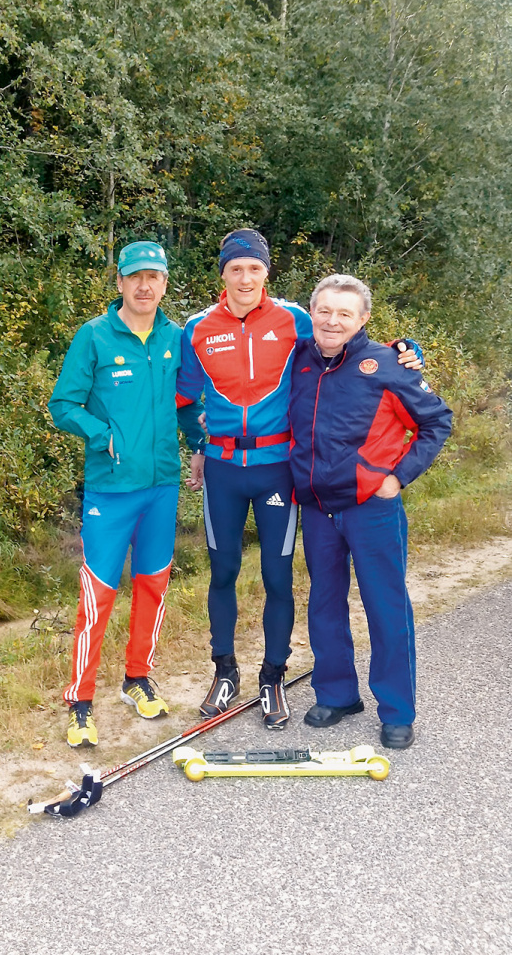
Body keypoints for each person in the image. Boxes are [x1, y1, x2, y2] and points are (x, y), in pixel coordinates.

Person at [175, 229, 422, 729]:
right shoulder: (196, 328)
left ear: (267, 271)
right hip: (224, 469)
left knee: (278, 576)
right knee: (223, 572)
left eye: (254, 268)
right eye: (235, 268)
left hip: (279, 469)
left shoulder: (296, 320)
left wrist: (404, 350)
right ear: (222, 272)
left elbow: (346, 343)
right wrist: (198, 448)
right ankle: (225, 671)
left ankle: (273, 675)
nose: (245, 277)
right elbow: (184, 401)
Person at [48, 241, 204, 748]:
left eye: (154, 277)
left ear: (164, 283)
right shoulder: (94, 336)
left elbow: (186, 404)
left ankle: (137, 679)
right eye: (135, 276)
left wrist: (201, 445)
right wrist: (102, 434)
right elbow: (63, 404)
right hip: (111, 490)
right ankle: (80, 702)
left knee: (154, 585)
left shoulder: (176, 337)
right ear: (119, 283)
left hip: (161, 486)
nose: (144, 286)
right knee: (98, 596)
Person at [288, 274, 452, 750]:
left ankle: (398, 709)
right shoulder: (298, 359)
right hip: (318, 508)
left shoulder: (386, 364)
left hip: (370, 508)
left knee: (385, 607)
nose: (333, 321)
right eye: (325, 311)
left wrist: (397, 478)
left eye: (345, 313)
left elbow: (436, 420)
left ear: (363, 319)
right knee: (324, 603)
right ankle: (338, 695)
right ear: (311, 313)